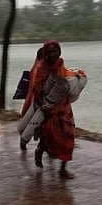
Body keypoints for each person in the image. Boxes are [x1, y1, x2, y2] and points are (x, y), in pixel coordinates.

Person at [19, 40, 80, 179]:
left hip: (64, 109)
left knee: (69, 137)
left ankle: (63, 169)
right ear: (45, 54)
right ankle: (40, 150)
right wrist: (44, 107)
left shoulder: (61, 64)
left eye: (55, 51)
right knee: (49, 135)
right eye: (49, 52)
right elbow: (36, 91)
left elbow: (65, 81)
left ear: (59, 52)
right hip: (48, 109)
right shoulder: (41, 69)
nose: (53, 54)